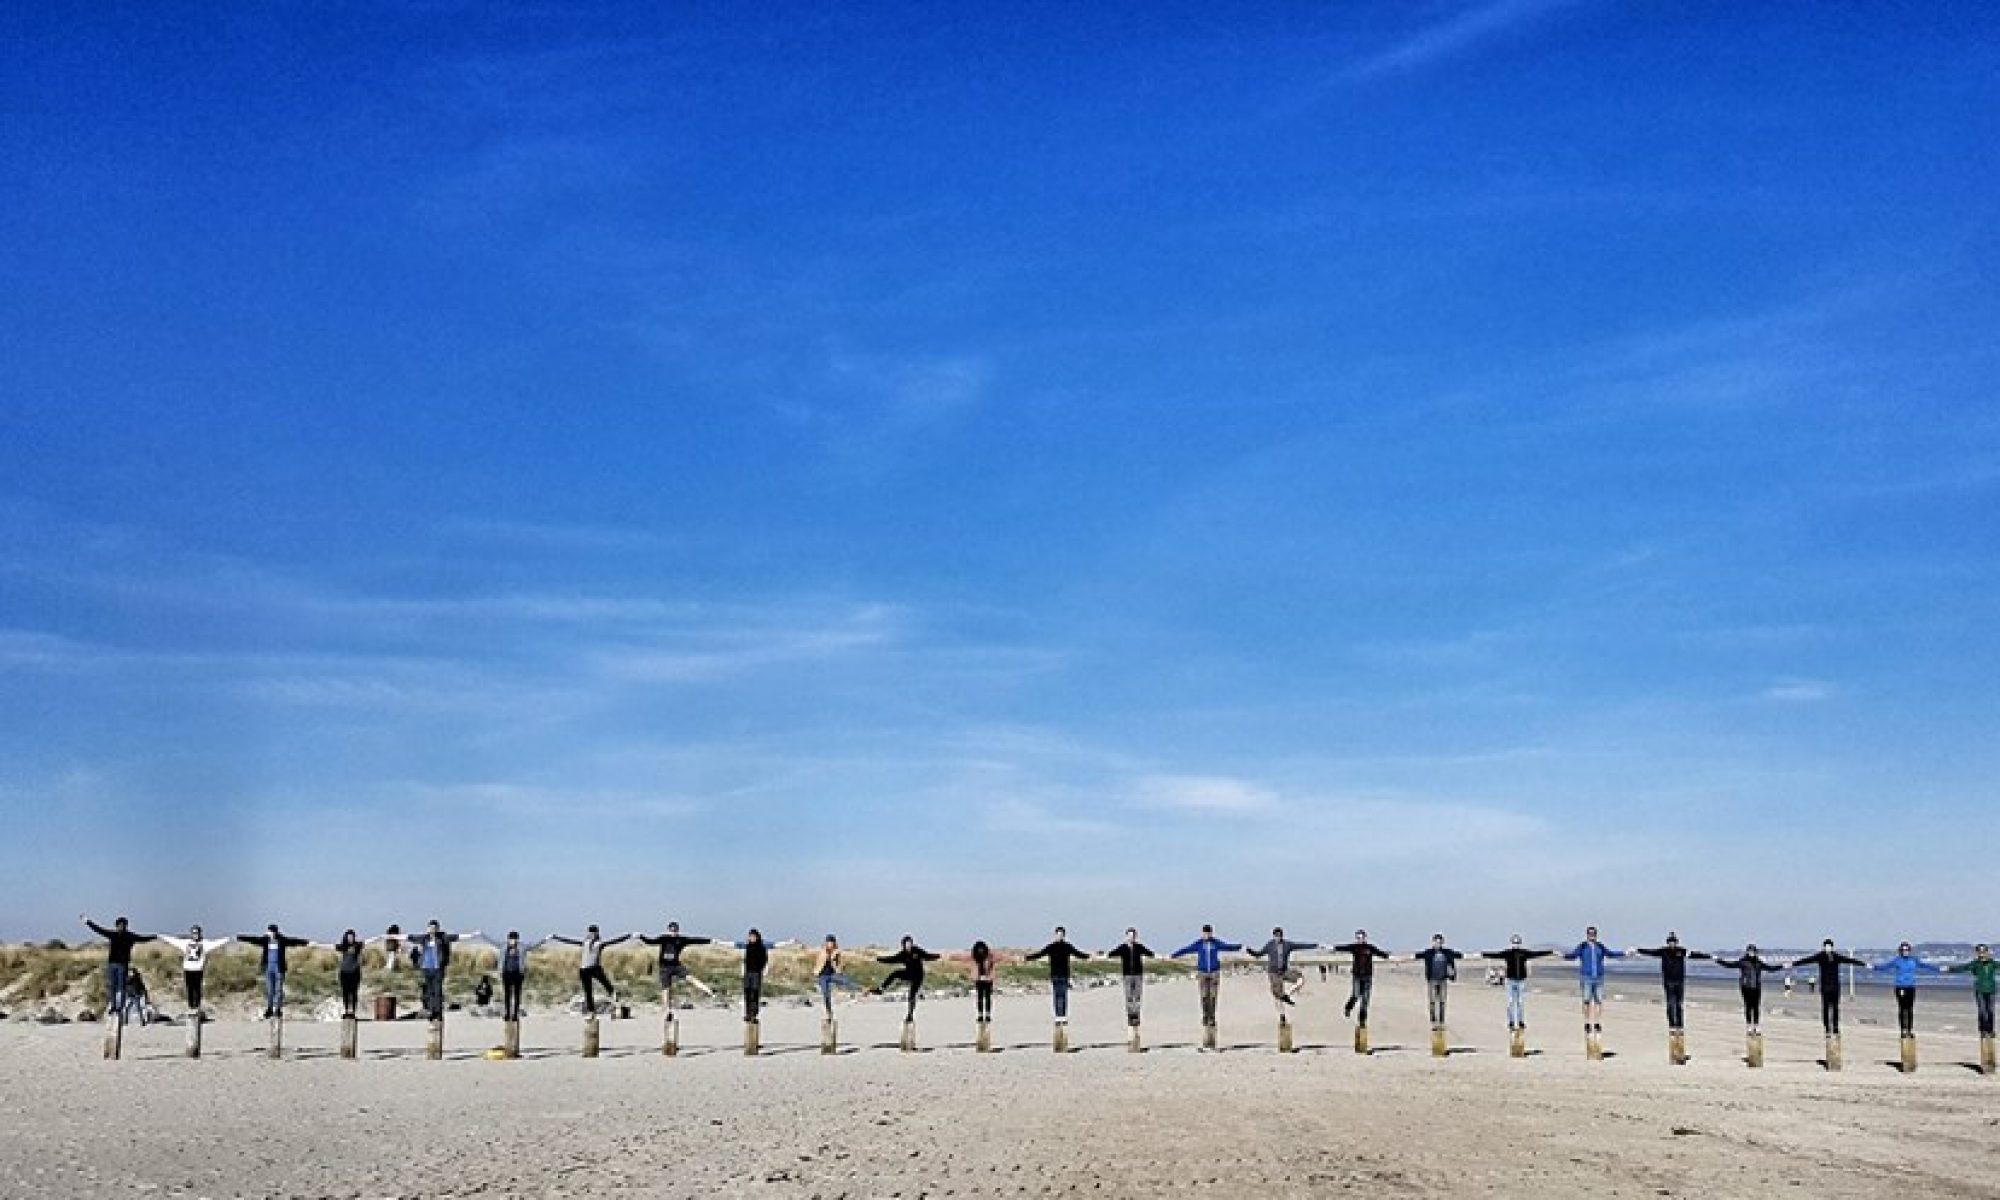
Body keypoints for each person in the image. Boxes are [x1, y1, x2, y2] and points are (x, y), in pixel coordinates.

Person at [81, 915, 156, 1021]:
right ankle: (114, 1007)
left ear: (126, 926)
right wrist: (87, 922)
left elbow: (143, 939)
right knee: (113, 987)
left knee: (122, 987)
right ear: (116, 926)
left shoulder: (130, 936)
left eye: (123, 925)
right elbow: (98, 930)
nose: (121, 927)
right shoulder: (113, 935)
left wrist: (156, 936)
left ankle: (119, 1007)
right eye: (119, 925)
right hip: (112, 964)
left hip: (122, 965)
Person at [1635, 933, 1712, 1034]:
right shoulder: (1663, 951)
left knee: (1679, 1004)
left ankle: (1680, 1025)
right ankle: (1672, 1025)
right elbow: (1651, 952)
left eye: (1674, 942)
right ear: (1668, 943)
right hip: (1668, 981)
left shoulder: (1682, 951)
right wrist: (1638, 950)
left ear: (1676, 943)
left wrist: (1709, 956)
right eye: (1670, 942)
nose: (1672, 944)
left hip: (1680, 981)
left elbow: (1694, 955)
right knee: (1671, 1004)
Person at [1171, 925, 1243, 1031]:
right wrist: (1174, 955)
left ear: (1211, 933)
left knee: (1213, 996)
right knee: (1204, 996)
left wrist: (1239, 947)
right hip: (1202, 973)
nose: (1207, 935)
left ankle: (1212, 1017)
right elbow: (1187, 949)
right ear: (1202, 933)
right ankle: (1205, 1016)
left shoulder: (1216, 943)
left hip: (1214, 972)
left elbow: (1227, 946)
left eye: (1209, 933)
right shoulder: (1199, 943)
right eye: (1205, 933)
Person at [1788, 940, 1866, 1037]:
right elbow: (1806, 960)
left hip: (1835, 987)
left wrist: (1864, 964)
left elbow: (1849, 960)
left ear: (1832, 947)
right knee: (1825, 1008)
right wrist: (1792, 964)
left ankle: (1836, 1027)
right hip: (1825, 987)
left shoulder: (1836, 956)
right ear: (1824, 947)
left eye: (1829, 946)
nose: (1828, 948)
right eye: (1826, 946)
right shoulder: (1820, 956)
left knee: (1835, 1008)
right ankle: (1827, 1028)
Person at [549, 925, 632, 1015]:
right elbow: (570, 941)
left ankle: (615, 999)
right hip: (584, 970)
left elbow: (614, 941)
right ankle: (591, 1011)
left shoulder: (599, 943)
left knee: (607, 985)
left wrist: (628, 936)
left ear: (596, 933)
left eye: (593, 932)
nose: (592, 934)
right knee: (588, 992)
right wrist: (555, 937)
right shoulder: (585, 942)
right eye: (590, 932)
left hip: (595, 968)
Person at [403, 921, 474, 1021]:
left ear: (438, 929)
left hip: (438, 969)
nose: (432, 930)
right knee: (429, 991)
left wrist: (472, 935)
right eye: (430, 928)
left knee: (437, 991)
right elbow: (409, 938)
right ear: (427, 929)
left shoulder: (442, 938)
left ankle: (438, 1013)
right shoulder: (424, 938)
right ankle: (431, 1011)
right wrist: (391, 936)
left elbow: (457, 937)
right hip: (426, 968)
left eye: (434, 928)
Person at [237, 924, 312, 1019]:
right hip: (268, 968)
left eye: (269, 932)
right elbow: (254, 939)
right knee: (269, 990)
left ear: (274, 932)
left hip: (279, 968)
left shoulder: (281, 940)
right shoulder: (265, 940)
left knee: (278, 990)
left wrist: (306, 942)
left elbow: (293, 941)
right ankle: (269, 1009)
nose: (267, 933)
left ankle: (278, 1010)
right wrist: (240, 937)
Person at [1481, 935, 1554, 1031]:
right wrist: (1482, 954)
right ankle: (1511, 1022)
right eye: (1514, 943)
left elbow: (1536, 954)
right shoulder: (1508, 953)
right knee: (1510, 1002)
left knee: (1520, 1002)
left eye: (1518, 943)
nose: (1516, 945)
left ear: (1520, 943)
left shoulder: (1524, 953)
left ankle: (1520, 1022)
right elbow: (1496, 955)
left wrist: (1550, 952)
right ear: (1511, 943)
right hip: (1510, 981)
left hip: (1521, 981)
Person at [1562, 926, 1625, 1038]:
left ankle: (1597, 1022)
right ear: (1587, 935)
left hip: (1599, 977)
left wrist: (1624, 953)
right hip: (1586, 977)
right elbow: (1573, 955)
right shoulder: (1583, 946)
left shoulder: (1600, 946)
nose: (1592, 935)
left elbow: (1610, 954)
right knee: (1586, 1000)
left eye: (1594, 933)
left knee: (1598, 1001)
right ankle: (1587, 1022)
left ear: (1596, 935)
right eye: (1590, 934)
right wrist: (1562, 956)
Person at [157, 925, 232, 1018]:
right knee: (189, 988)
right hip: (188, 969)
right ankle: (191, 1007)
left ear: (200, 934)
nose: (195, 935)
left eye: (196, 933)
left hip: (198, 970)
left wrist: (229, 938)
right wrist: (160, 936)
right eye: (193, 933)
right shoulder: (186, 943)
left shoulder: (205, 944)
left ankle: (197, 1007)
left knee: (197, 988)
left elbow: (216, 943)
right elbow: (174, 941)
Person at [1870, 941, 1941, 1037]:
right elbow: (1885, 967)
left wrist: (1939, 969)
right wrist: (1874, 967)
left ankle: (1909, 1030)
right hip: (1900, 987)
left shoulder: (1914, 960)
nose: (1905, 951)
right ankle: (1903, 1030)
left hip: (1910, 987)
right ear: (1900, 951)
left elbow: (1925, 966)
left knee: (1910, 1009)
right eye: (1903, 950)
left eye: (1907, 950)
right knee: (1903, 1008)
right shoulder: (1897, 960)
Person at [639, 922, 715, 1008]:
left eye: (675, 930)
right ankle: (667, 1010)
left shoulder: (681, 939)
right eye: (671, 930)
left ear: (677, 930)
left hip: (676, 966)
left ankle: (710, 992)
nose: (673, 932)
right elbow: (650, 942)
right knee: (666, 989)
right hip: (664, 967)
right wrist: (641, 936)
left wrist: (711, 941)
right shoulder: (663, 938)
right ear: (668, 930)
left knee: (691, 978)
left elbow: (696, 940)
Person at [1713, 943, 1786, 1033]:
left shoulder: (1758, 963)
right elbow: (1729, 965)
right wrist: (1717, 960)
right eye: (1750, 951)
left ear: (1756, 952)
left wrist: (1783, 966)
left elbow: (1771, 969)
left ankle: (1756, 1026)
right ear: (1747, 952)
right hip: (1745, 987)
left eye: (1753, 951)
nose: (1751, 953)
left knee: (1756, 1007)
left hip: (1756, 987)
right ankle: (1748, 1026)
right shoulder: (1742, 962)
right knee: (1748, 1007)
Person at [1025, 927, 1091, 1024]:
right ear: (1055, 935)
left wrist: (1088, 956)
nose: (1059, 936)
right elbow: (1040, 954)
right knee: (1056, 995)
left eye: (1061, 934)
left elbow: (1078, 953)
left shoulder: (1067, 946)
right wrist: (1027, 958)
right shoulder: (1051, 947)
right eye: (1057, 934)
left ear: (1064, 935)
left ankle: (1063, 1017)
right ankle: (1057, 1016)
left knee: (1063, 995)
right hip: (1055, 975)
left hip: (1064, 974)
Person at [1247, 927, 1319, 1016]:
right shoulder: (1269, 945)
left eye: (1279, 936)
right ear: (1273, 936)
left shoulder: (1287, 944)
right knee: (1277, 995)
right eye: (1276, 936)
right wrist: (1250, 951)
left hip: (1284, 971)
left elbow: (1300, 945)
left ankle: (1287, 994)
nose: (1278, 938)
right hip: (1273, 973)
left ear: (1282, 936)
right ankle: (1282, 1016)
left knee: (1301, 979)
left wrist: (1315, 945)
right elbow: (1258, 954)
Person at [727, 929, 789, 1022]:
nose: (751, 938)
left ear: (757, 937)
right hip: (747, 973)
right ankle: (748, 1014)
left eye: (753, 936)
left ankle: (754, 1014)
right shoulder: (747, 946)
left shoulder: (762, 946)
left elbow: (775, 945)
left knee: (755, 993)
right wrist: (717, 942)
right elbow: (734, 945)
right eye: (750, 936)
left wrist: (789, 942)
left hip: (757, 973)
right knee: (747, 993)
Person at [1332, 931, 1391, 1027]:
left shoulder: (1370, 948)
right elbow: (1343, 948)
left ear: (1364, 938)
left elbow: (1381, 954)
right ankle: (1348, 1008)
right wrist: (1331, 947)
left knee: (1365, 1000)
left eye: (1361, 938)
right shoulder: (1354, 947)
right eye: (1357, 938)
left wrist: (1392, 957)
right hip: (1357, 976)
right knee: (1355, 994)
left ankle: (1362, 1020)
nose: (1359, 940)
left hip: (1367, 977)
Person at [875, 935, 940, 1022]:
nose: (909, 945)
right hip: (909, 973)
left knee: (912, 995)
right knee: (895, 973)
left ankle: (910, 1015)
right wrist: (879, 959)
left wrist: (937, 956)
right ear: (903, 945)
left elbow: (927, 956)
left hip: (918, 976)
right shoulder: (902, 954)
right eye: (907, 944)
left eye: (910, 943)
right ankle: (881, 989)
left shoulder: (916, 950)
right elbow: (891, 959)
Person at [1944, 944, 1998, 1039]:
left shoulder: (1992, 963)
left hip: (1991, 990)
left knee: (1990, 1011)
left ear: (1987, 952)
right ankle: (1983, 1030)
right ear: (1977, 953)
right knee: (1982, 1011)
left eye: (1984, 951)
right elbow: (1963, 968)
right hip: (1980, 989)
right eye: (1980, 952)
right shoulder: (1975, 963)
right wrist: (1950, 969)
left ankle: (1990, 1030)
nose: (1982, 953)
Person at [1103, 929, 1155, 1028]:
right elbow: (1112, 953)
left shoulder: (1139, 947)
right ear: (1126, 936)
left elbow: (1149, 953)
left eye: (1133, 936)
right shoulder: (1122, 947)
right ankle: (1131, 1016)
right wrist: (1103, 955)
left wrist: (1159, 956)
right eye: (1129, 936)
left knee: (1137, 996)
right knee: (1129, 996)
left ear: (1135, 937)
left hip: (1138, 975)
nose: (1131, 938)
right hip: (1127, 975)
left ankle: (1137, 1015)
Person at [1412, 934, 1462, 1028]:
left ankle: (1442, 1021)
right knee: (1432, 1001)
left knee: (1442, 1001)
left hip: (1443, 980)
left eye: (1439, 942)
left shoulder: (1447, 952)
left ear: (1442, 943)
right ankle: (1433, 1021)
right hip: (1432, 980)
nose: (1437, 944)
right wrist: (1396, 959)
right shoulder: (1429, 953)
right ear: (1433, 942)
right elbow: (1416, 956)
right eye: (1436, 942)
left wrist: (1481, 955)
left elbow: (1460, 955)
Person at [495, 932, 544, 1022]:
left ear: (517, 939)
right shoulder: (503, 946)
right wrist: (480, 933)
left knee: (517, 995)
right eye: (511, 938)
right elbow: (490, 941)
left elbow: (534, 946)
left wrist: (545, 939)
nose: (512, 940)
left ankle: (515, 1014)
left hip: (518, 973)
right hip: (506, 973)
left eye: (514, 938)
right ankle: (507, 1013)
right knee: (507, 995)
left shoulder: (522, 947)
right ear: (508, 939)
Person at [812, 935, 862, 1017]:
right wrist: (831, 954)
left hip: (832, 974)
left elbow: (837, 964)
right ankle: (829, 1011)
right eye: (829, 942)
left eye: (832, 942)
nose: (830, 944)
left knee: (846, 981)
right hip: (822, 976)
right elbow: (823, 959)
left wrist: (839, 969)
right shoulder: (823, 951)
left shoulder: (836, 952)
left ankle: (862, 989)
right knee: (826, 994)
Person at [963, 941, 1005, 1023]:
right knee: (979, 998)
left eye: (982, 949)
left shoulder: (991, 956)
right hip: (978, 979)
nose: (980, 950)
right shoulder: (973, 956)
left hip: (988, 979)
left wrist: (1023, 958)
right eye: (979, 949)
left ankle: (988, 1015)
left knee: (988, 997)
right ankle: (980, 1015)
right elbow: (960, 957)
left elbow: (1003, 957)